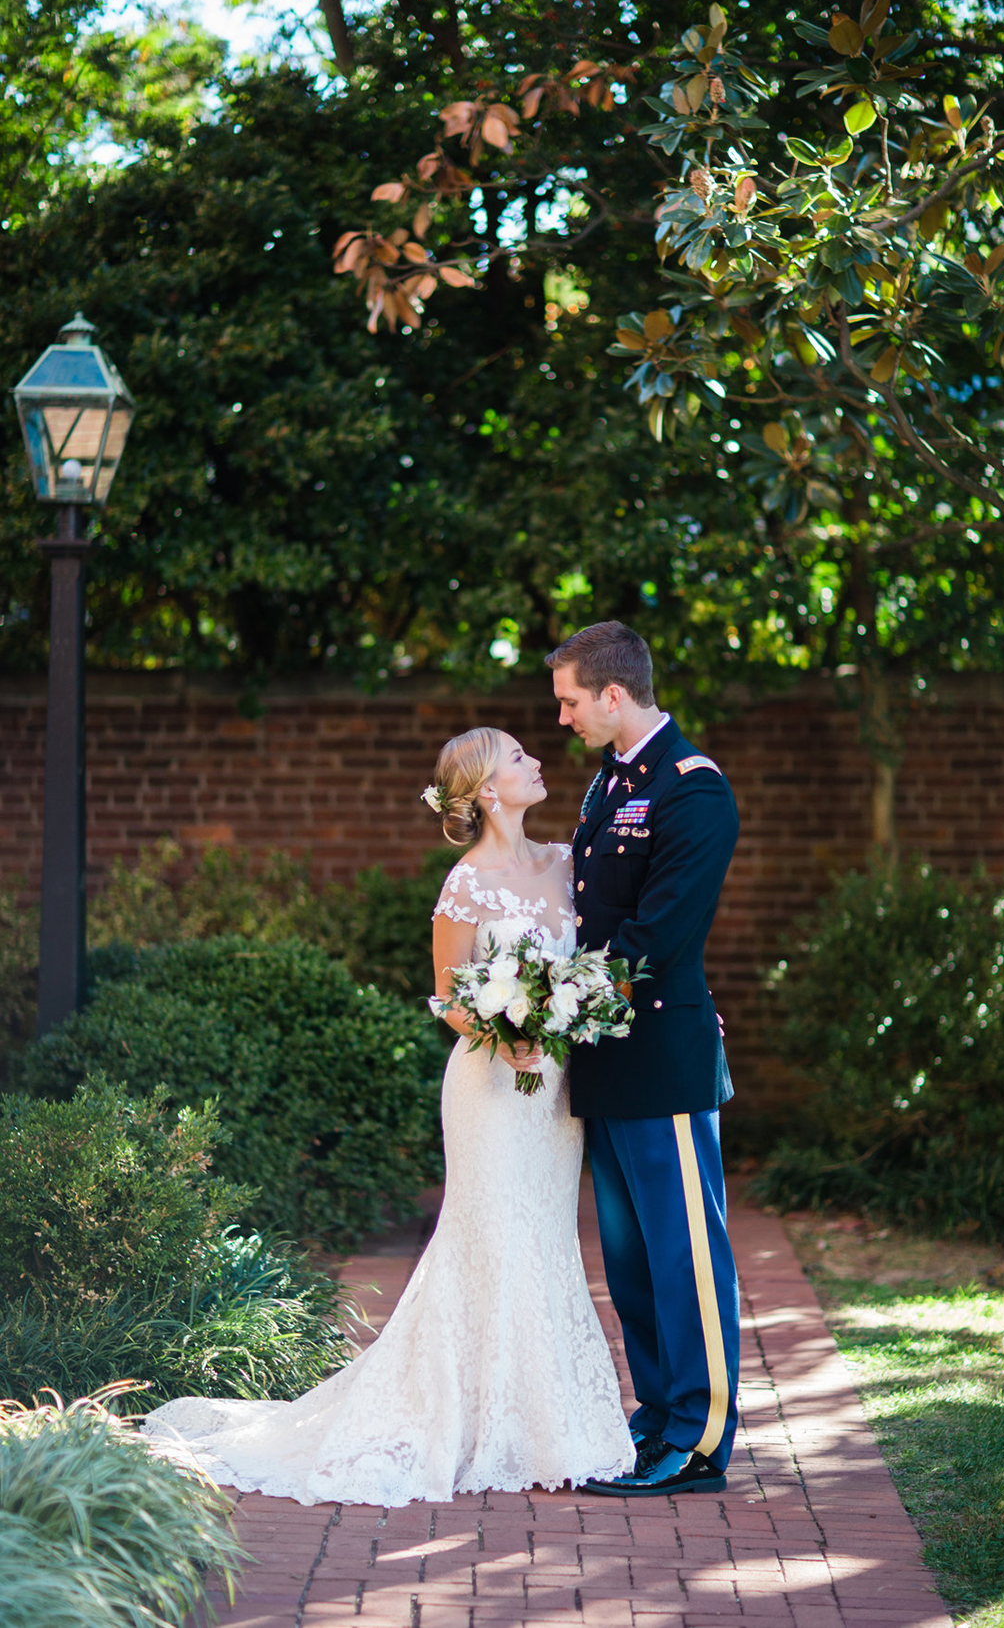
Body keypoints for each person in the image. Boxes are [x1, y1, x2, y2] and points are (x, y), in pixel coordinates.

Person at [143, 729, 638, 1504]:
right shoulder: (465, 884)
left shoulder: (564, 862)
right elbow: (449, 995)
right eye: (516, 757)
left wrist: (560, 1023)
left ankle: (542, 1421)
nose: (534, 761)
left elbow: (589, 964)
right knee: (491, 1235)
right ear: (482, 790)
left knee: (543, 1236)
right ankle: (470, 1421)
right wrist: (504, 1036)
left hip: (557, 1095)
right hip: (490, 1088)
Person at [547, 622, 743, 1497]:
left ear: (614, 696)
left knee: (684, 1252)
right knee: (630, 1262)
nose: (564, 717)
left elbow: (659, 932)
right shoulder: (607, 784)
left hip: (660, 1052)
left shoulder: (690, 789)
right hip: (606, 1058)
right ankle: (658, 1416)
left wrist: (566, 995)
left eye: (570, 700)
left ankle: (698, 1438)